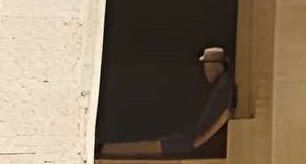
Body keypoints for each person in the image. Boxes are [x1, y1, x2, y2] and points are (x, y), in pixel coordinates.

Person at [98, 45, 236, 160]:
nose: (206, 71)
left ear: (218, 66)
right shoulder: (222, 85)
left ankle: (102, 149)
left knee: (152, 146)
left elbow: (224, 115)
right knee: (152, 143)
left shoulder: (224, 86)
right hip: (191, 139)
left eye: (208, 66)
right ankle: (103, 148)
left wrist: (195, 142)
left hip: (191, 141)